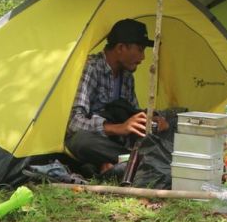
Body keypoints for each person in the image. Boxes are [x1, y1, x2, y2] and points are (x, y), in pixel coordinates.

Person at [66, 18, 169, 176]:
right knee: (81, 142)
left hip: (117, 143)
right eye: (140, 50)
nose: (142, 58)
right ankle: (140, 161)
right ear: (121, 47)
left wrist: (151, 119)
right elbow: (74, 122)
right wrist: (118, 128)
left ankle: (114, 164)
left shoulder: (127, 76)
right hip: (96, 140)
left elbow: (131, 115)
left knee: (170, 125)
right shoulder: (92, 68)